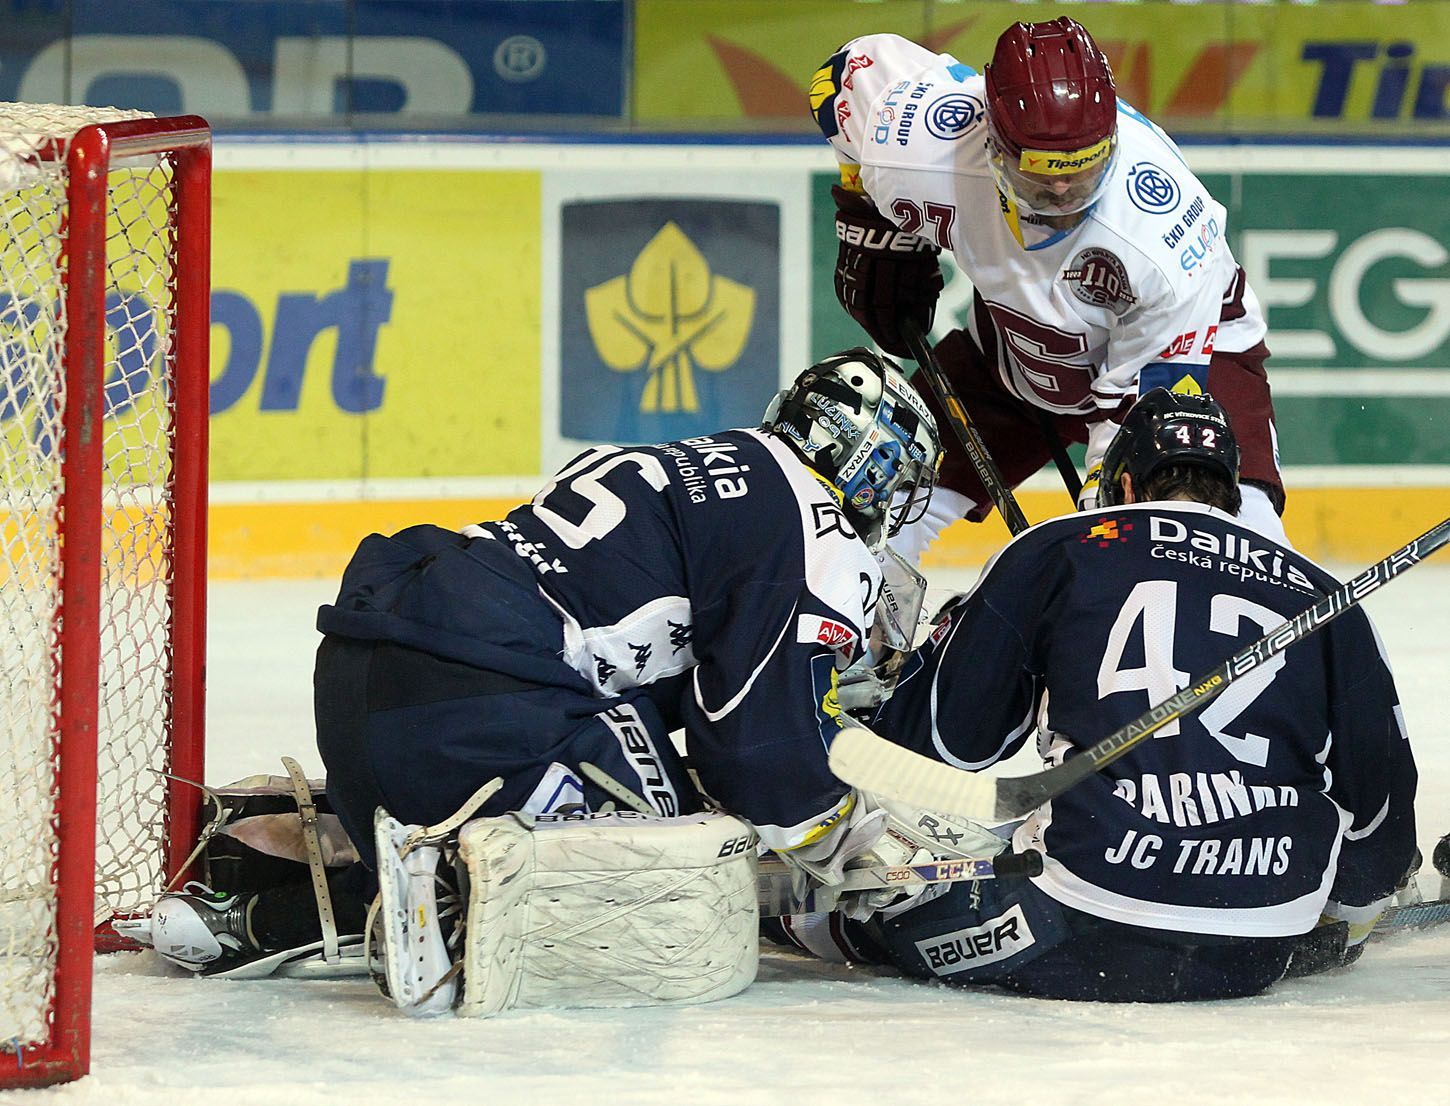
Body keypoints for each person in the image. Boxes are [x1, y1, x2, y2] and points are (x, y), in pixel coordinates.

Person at [133, 348, 947, 976]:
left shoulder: (683, 461)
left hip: (370, 681)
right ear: (871, 468)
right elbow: (762, 755)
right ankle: (423, 893)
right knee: (689, 858)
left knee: (649, 763)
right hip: (477, 708)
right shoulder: (815, 525)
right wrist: (851, 846)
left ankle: (261, 875)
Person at [767, 389, 1418, 1001]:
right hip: (1258, 947)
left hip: (1079, 924)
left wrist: (912, 668)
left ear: (1124, 483)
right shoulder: (1324, 595)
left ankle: (794, 922)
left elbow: (942, 741)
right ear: (1230, 490)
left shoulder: (1064, 545)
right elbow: (1384, 804)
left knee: (872, 899)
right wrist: (1345, 919)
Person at [809, 17, 1289, 551]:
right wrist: (870, 222)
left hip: (1191, 361)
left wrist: (1102, 540)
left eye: (1081, 172)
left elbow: (1136, 423)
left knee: (1225, 540)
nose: (1062, 193)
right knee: (868, 512)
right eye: (1040, 173)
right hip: (1016, 353)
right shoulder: (919, 141)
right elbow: (845, 76)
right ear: (992, 140)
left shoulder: (1164, 241)